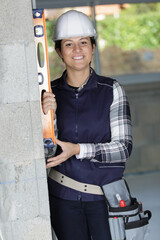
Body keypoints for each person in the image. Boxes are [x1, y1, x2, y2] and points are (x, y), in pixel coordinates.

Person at [42, 10, 132, 240]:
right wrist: (47, 116)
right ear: (59, 51)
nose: (77, 50)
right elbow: (47, 153)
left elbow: (123, 148)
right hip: (63, 199)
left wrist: (78, 150)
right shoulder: (48, 94)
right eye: (69, 44)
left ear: (93, 47)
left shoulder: (112, 90)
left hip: (105, 200)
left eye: (83, 42)